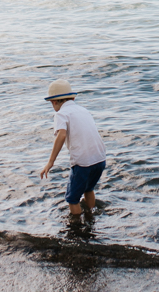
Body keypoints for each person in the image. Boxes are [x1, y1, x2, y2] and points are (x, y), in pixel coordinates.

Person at [39, 79, 107, 216]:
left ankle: (76, 229)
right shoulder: (83, 110)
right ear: (72, 97)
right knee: (89, 189)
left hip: (83, 162)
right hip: (100, 158)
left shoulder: (61, 114)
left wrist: (51, 162)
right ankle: (90, 216)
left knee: (72, 199)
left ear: (54, 101)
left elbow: (61, 135)